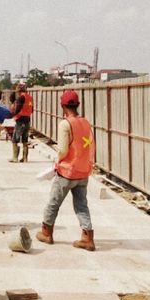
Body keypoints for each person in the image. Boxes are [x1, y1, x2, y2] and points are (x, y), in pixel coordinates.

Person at [36, 90, 96, 251]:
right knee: (82, 205)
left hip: (67, 172)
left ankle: (46, 233)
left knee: (54, 202)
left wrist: (58, 161)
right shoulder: (85, 122)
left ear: (62, 105)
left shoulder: (65, 124)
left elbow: (62, 150)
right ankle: (87, 237)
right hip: (83, 171)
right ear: (78, 105)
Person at [10, 82, 33, 163]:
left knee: (15, 139)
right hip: (27, 120)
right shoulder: (30, 97)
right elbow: (32, 110)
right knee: (25, 140)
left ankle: (15, 158)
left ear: (19, 91)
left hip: (20, 121)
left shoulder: (21, 98)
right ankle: (25, 158)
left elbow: (17, 110)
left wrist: (12, 114)